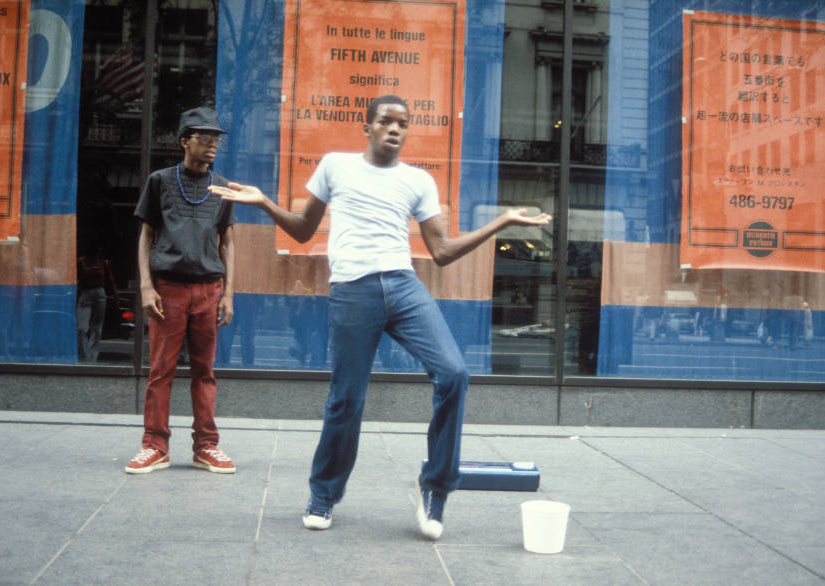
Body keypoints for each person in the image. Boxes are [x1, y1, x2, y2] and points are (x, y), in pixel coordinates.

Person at [209, 95, 551, 539]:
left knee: (454, 373)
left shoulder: (418, 181)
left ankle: (435, 489)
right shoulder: (335, 166)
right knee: (346, 400)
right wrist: (264, 203)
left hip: (404, 287)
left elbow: (443, 253)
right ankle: (324, 493)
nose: (395, 129)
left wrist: (501, 222)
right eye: (386, 121)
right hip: (353, 290)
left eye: (403, 124)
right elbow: (302, 229)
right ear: (366, 127)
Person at [125, 107, 237, 475]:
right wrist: (145, 286)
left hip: (209, 289)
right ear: (184, 141)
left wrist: (229, 294)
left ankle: (206, 446)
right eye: (204, 137)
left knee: (205, 372)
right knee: (161, 371)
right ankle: (154, 446)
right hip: (168, 289)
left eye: (216, 138)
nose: (212, 145)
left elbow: (228, 242)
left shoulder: (222, 187)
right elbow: (146, 236)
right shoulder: (160, 181)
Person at [76, 245, 118, 363]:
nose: (97, 253)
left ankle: (92, 356)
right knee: (82, 328)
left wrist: (115, 295)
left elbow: (110, 280)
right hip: (86, 293)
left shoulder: (103, 263)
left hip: (100, 293)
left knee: (97, 327)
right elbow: (76, 278)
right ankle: (84, 354)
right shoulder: (81, 262)